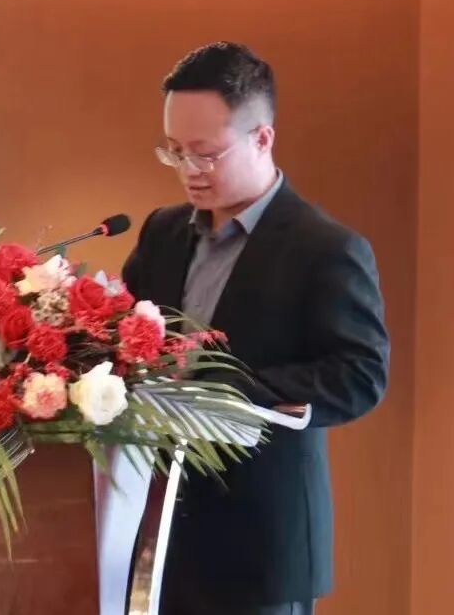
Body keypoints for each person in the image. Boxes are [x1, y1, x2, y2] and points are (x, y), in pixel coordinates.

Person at [122, 42, 389, 615]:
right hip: (154, 533)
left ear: (262, 138)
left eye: (205, 154)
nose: (189, 171)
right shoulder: (163, 232)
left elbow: (361, 375)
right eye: (174, 152)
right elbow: (122, 333)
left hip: (261, 542)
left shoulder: (326, 248)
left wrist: (229, 390)